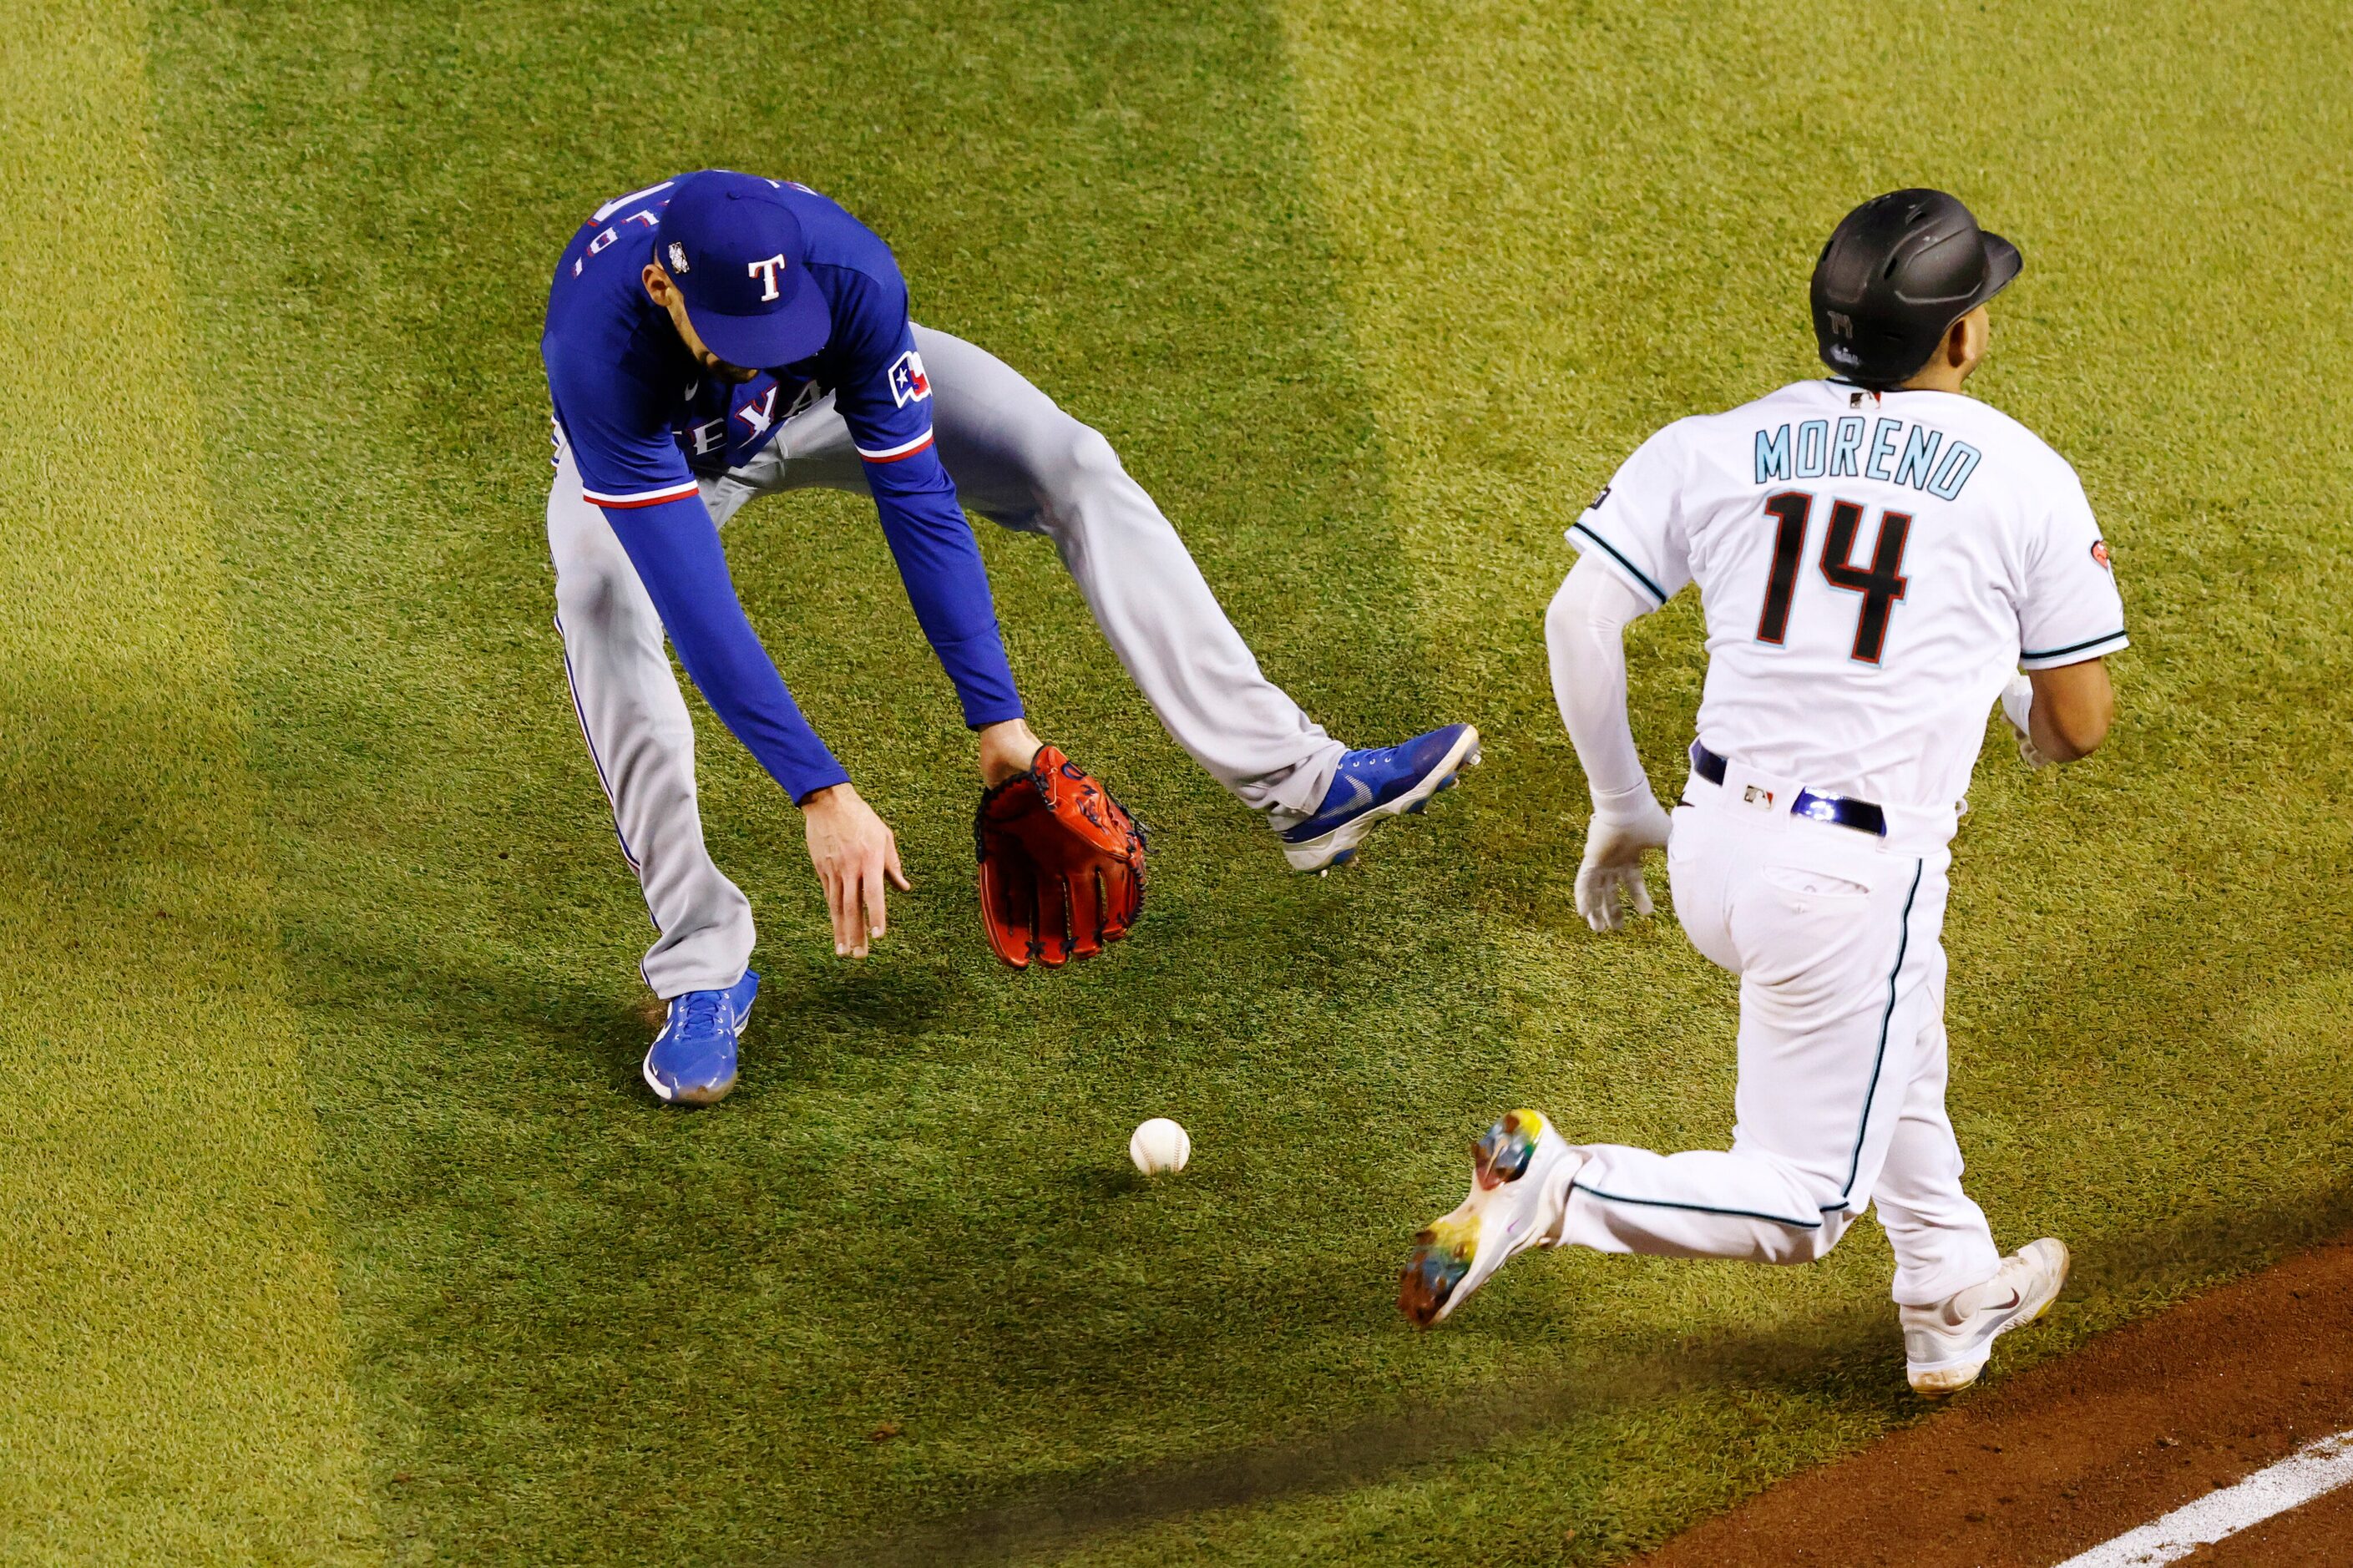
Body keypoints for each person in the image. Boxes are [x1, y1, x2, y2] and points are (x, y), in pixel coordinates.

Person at [1397, 190, 2124, 1397]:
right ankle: (1559, 1189)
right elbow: (2078, 727)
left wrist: (1620, 803)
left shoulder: (1716, 440)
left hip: (1708, 851)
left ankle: (1946, 1288)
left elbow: (1579, 612)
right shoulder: (2023, 477)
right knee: (1804, 1201)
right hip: (1844, 878)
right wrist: (2021, 717)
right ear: (1960, 336)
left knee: (1900, 1040)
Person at [541, 169, 1477, 1105]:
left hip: (823, 409)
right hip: (669, 453)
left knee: (1069, 461)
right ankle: (703, 965)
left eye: (776, 333)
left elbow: (918, 503)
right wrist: (820, 791)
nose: (759, 359)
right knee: (602, 603)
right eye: (737, 339)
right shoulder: (599, 351)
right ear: (665, 289)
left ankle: (1301, 782)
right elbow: (703, 609)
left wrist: (1001, 728)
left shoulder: (848, 274)